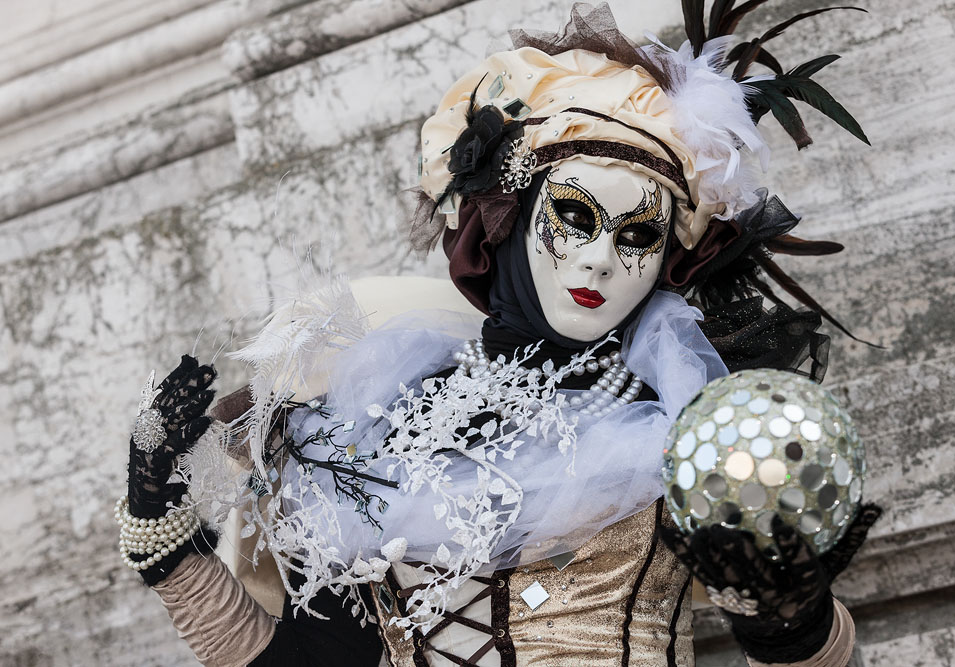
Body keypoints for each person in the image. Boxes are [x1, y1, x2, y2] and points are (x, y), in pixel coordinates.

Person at [117, 3, 882, 666]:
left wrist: (786, 612)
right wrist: (161, 525)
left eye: (637, 236)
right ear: (505, 223)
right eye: (574, 216)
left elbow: (819, 655)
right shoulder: (379, 423)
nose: (599, 259)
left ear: (666, 259)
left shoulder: (686, 420)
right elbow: (315, 660)